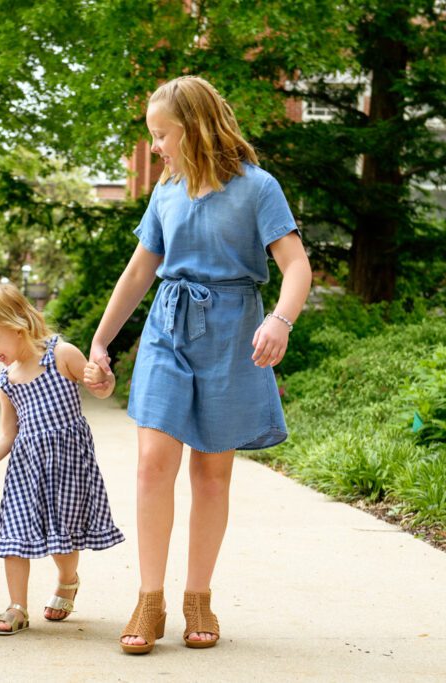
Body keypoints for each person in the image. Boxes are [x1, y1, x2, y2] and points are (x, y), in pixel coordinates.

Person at [87, 76, 312, 654]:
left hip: (236, 332)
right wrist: (101, 342)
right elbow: (139, 272)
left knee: (212, 473)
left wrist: (279, 321)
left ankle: (198, 597)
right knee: (152, 463)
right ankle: (149, 599)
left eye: (161, 134)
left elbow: (296, 267)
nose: (155, 146)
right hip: (169, 329)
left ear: (193, 128)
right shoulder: (167, 192)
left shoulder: (258, 188)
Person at [0, 278, 125, 636]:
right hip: (25, 470)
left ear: (19, 326)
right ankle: (17, 607)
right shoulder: (6, 381)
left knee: (64, 539)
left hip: (68, 467)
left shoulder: (62, 355)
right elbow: (8, 435)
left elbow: (99, 390)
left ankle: (67, 579)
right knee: (15, 534)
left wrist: (104, 381)